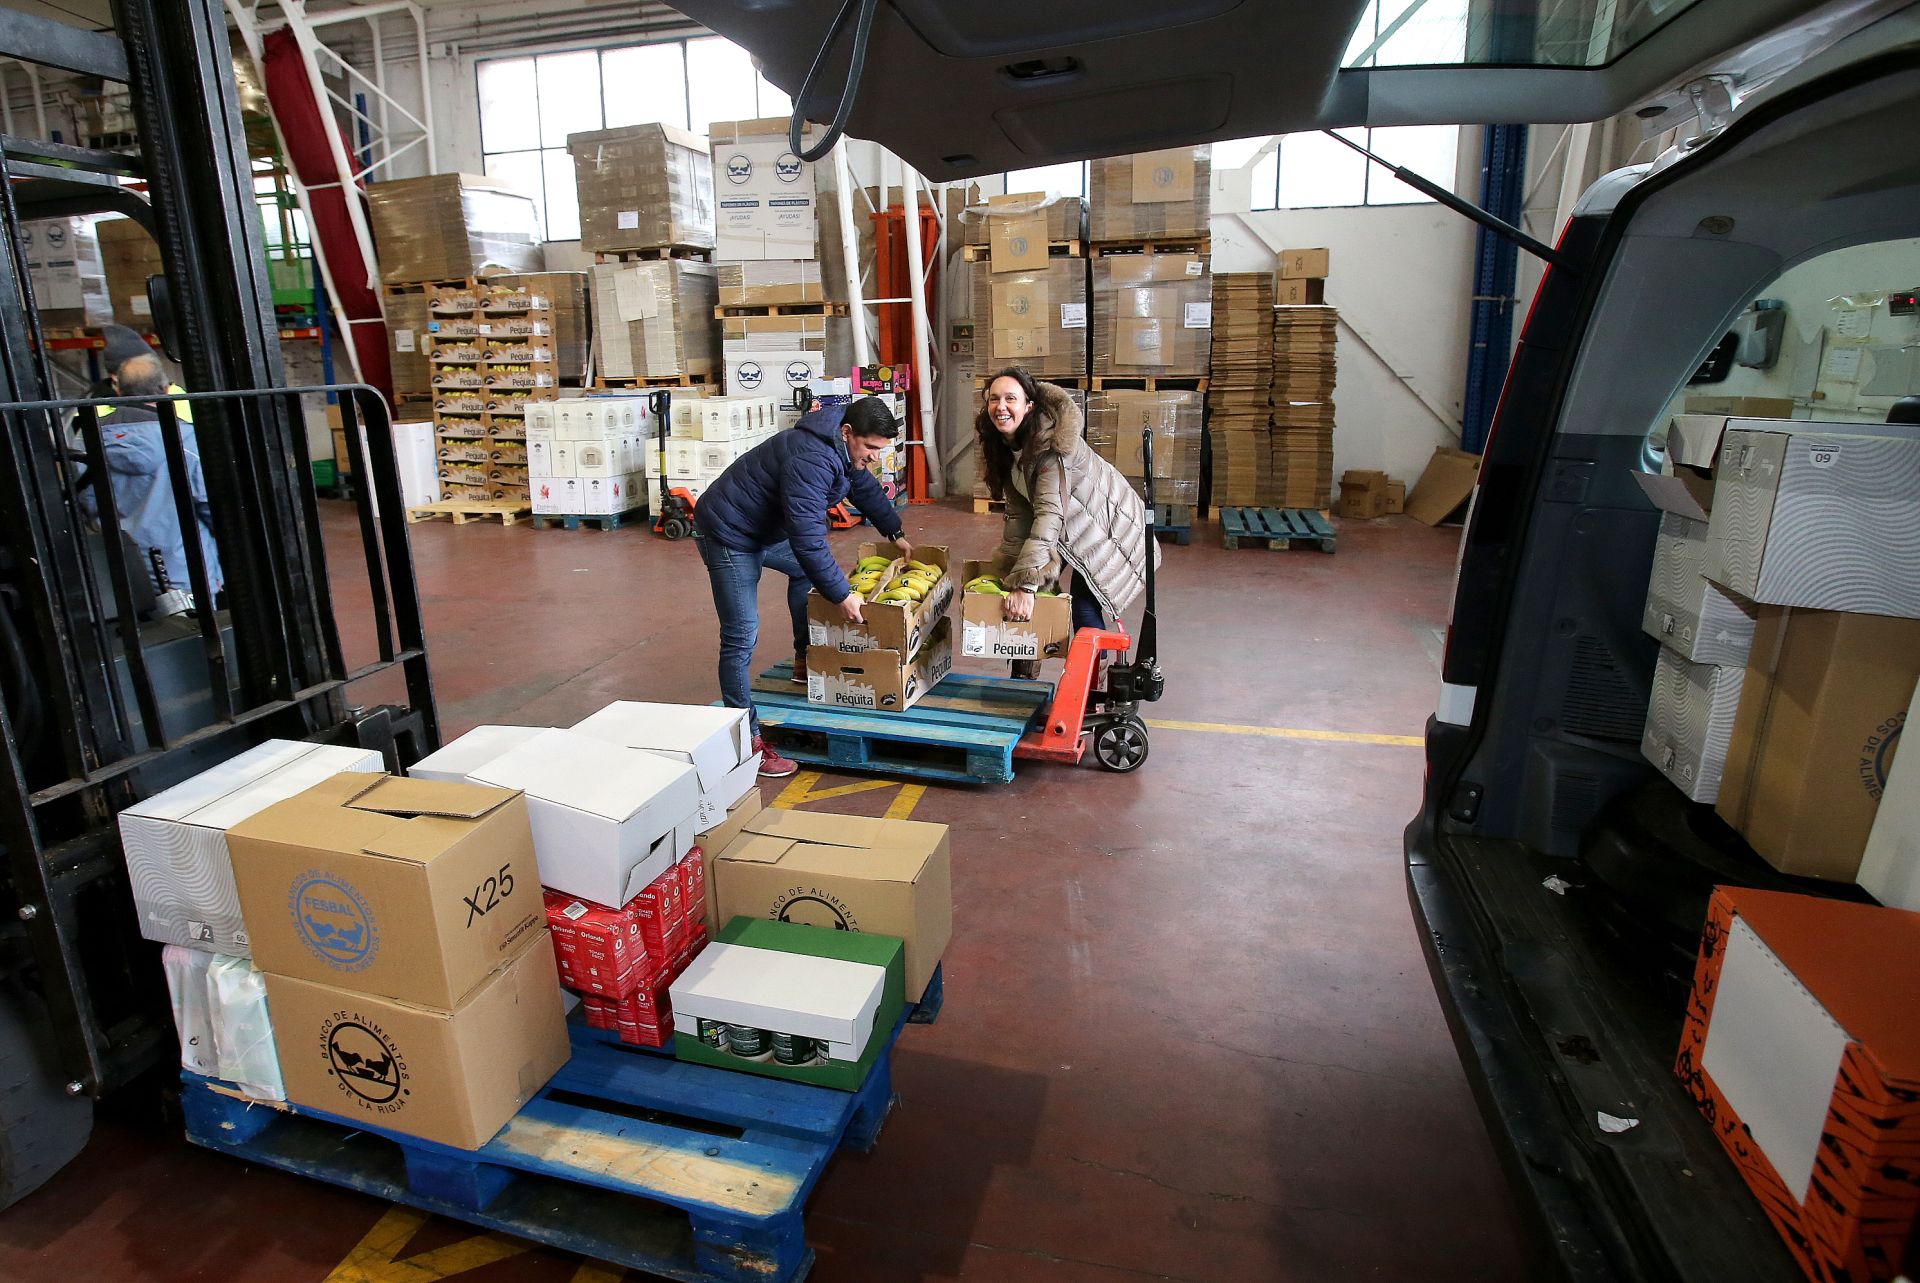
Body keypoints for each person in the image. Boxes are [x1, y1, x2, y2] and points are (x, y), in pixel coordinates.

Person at [694, 396, 912, 777]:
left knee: (805, 574)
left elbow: (862, 487)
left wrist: (893, 531)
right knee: (742, 634)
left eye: (882, 449)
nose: (876, 457)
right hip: (730, 533)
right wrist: (841, 594)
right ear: (848, 433)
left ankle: (803, 659)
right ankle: (747, 742)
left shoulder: (841, 447)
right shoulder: (811, 458)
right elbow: (808, 539)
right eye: (871, 448)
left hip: (763, 530)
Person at [975, 365, 1159, 681]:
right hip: (1070, 527)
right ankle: (1023, 675)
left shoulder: (1049, 447)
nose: (1000, 407)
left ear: (1028, 405)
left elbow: (1048, 515)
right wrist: (1016, 572)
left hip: (1108, 528)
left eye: (1010, 399)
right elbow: (1021, 515)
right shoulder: (1007, 446)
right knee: (1031, 590)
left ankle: (1089, 686)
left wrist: (1026, 583)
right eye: (994, 399)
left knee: (1084, 604)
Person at [77, 351, 224, 615]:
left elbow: (85, 502)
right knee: (198, 643)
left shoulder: (86, 442)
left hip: (119, 570)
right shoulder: (186, 440)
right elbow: (212, 507)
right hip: (183, 569)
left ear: (118, 389)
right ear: (166, 389)